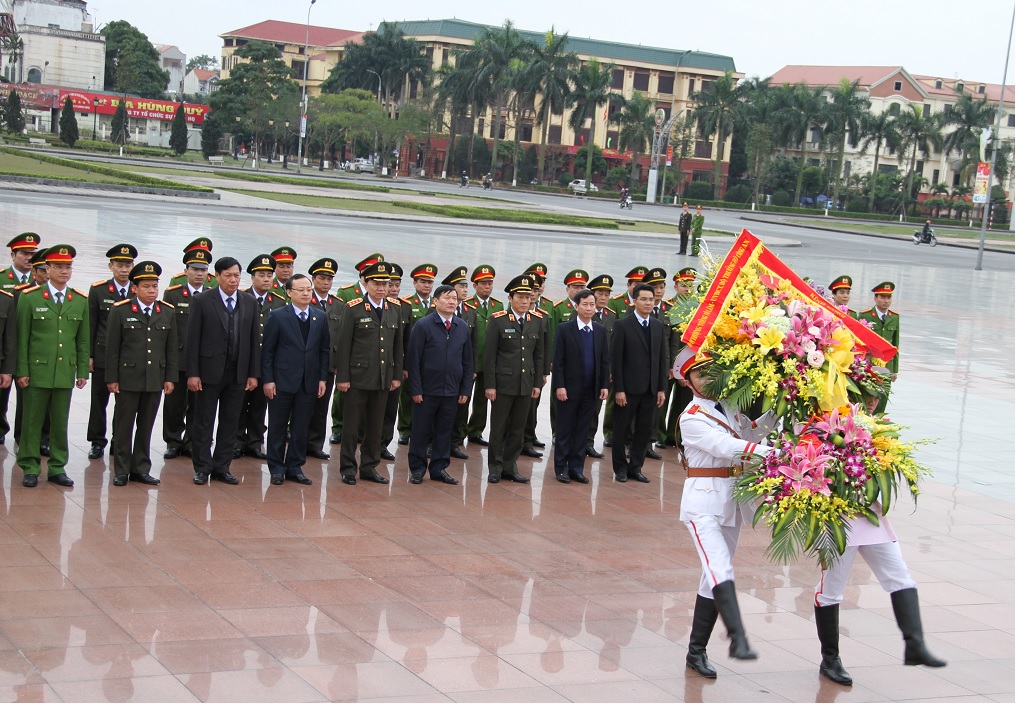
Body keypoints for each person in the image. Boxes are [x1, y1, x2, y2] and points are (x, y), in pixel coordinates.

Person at [810, 392, 946, 686]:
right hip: (839, 519)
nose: (873, 401)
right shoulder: (824, 426)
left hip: (871, 518)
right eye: (867, 395)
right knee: (831, 590)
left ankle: (915, 644)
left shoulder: (878, 429)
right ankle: (830, 659)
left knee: (901, 578)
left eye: (877, 396)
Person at [675, 348, 774, 678]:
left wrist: (781, 410)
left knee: (713, 576)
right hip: (703, 504)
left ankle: (696, 651)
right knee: (719, 568)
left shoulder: (728, 407)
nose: (707, 378)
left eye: (711, 372)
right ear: (688, 382)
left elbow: (748, 434)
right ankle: (738, 638)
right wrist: (774, 455)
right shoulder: (691, 417)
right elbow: (726, 447)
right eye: (699, 374)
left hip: (730, 501)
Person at [15, 245, 89, 488]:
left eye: (68, 267)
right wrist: (22, 370)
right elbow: (22, 338)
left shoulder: (78, 300)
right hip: (37, 371)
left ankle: (57, 467)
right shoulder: (30, 298)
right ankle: (30, 465)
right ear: (47, 269)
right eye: (58, 267)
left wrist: (81, 370)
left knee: (60, 421)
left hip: (64, 372)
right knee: (32, 421)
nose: (64, 271)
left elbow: (82, 339)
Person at [186, 256, 261, 485]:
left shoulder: (249, 302)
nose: (233, 280)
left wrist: (252, 373)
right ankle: (202, 467)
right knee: (204, 421)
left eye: (236, 275)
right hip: (208, 372)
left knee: (230, 422)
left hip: (237, 373)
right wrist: (193, 373)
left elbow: (253, 341)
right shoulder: (202, 301)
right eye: (228, 275)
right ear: (216, 276)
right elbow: (192, 340)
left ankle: (222, 467)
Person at [105, 261, 177, 486]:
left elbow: (171, 349)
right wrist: (112, 378)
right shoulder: (120, 310)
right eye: (146, 286)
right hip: (128, 379)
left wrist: (170, 378)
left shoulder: (166, 312)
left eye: (154, 286)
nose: (151, 291)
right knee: (124, 426)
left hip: (154, 379)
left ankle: (141, 468)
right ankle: (121, 469)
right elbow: (112, 348)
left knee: (145, 426)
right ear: (135, 288)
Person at [336, 261, 404, 485]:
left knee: (376, 426)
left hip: (383, 377)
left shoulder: (394, 308)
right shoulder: (354, 307)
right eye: (377, 283)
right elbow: (344, 345)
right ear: (366, 283)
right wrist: (343, 378)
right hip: (357, 378)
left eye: (386, 283)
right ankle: (347, 467)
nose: (382, 288)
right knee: (352, 426)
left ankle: (369, 466)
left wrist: (395, 375)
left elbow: (397, 346)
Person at [261, 274, 330, 486]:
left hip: (308, 381)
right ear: (289, 292)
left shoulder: (320, 317)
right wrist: (268, 380)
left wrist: (322, 378)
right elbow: (268, 352)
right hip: (282, 381)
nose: (306, 293)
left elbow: (324, 350)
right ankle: (276, 468)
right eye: (301, 290)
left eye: (308, 289)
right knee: (278, 426)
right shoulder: (278, 316)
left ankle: (295, 466)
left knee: (301, 427)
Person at [406, 284, 473, 485]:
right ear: (435, 301)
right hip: (427, 390)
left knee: (444, 431)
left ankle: (439, 468)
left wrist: (465, 389)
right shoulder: (423, 325)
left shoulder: (462, 327)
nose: (452, 301)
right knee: (421, 431)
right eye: (447, 298)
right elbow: (413, 360)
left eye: (454, 298)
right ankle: (417, 469)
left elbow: (468, 362)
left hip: (451, 390)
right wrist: (416, 389)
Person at [484, 274, 545, 484]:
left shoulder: (536, 321)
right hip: (503, 384)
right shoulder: (498, 320)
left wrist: (537, 383)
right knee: (499, 428)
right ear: (510, 298)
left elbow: (538, 355)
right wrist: (490, 385)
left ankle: (510, 466)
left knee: (518, 430)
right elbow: (489, 356)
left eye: (528, 297)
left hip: (526, 384)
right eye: (520, 297)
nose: (525, 301)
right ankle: (495, 467)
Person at [609, 283, 668, 483]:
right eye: (643, 299)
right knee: (622, 429)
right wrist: (619, 389)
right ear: (634, 301)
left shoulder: (658, 325)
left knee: (644, 430)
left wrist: (661, 388)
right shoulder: (622, 325)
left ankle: (636, 466)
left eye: (651, 299)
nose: (648, 303)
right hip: (628, 389)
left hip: (650, 389)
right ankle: (620, 468)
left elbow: (662, 359)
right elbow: (616, 360)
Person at [551, 289, 609, 484]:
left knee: (582, 430)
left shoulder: (599, 330)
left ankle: (576, 468)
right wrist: (560, 386)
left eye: (592, 304)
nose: (589, 308)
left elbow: (604, 361)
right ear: (576, 307)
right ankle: (561, 468)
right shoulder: (565, 329)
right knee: (565, 429)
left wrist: (604, 385)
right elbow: (558, 361)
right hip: (568, 389)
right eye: (585, 304)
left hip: (590, 390)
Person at [87, 243, 138, 460]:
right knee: (99, 400)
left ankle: (119, 441)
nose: (124, 269)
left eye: (127, 265)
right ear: (111, 266)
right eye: (119, 265)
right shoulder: (99, 290)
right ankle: (97, 441)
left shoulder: (140, 289)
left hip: (127, 358)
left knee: (125, 404)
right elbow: (91, 324)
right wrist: (88, 355)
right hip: (102, 355)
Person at [235, 254, 286, 459]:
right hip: (243, 360)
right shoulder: (241, 297)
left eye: (269, 275)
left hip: (267, 361)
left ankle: (255, 441)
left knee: (259, 404)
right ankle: (237, 441)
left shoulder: (280, 301)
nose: (266, 279)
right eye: (261, 275)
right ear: (252, 277)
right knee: (239, 402)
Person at [161, 248, 211, 459]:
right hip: (179, 357)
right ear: (186, 270)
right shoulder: (173, 293)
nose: (199, 274)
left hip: (202, 359)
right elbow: (168, 328)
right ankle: (173, 441)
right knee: (174, 403)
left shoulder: (212, 295)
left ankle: (191, 441)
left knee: (198, 404)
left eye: (203, 270)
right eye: (195, 269)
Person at [332, 253, 385, 446]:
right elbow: (343, 333)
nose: (381, 286)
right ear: (364, 274)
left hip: (375, 369)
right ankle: (337, 426)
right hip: (355, 365)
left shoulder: (388, 304)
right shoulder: (348, 294)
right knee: (344, 399)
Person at [0, 232, 40, 445]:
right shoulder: (1, 278)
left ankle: (23, 434)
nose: (28, 258)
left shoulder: (41, 281)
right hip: (5, 344)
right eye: (24, 253)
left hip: (28, 345)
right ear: (13, 254)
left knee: (27, 394)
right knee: (1, 391)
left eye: (32, 254)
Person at [12, 250, 49, 453]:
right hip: (28, 359)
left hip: (51, 360)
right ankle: (22, 438)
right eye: (43, 270)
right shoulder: (20, 294)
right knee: (26, 404)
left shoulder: (64, 296)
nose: (46, 274)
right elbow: (16, 331)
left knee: (51, 406)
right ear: (34, 271)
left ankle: (45, 440)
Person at [397, 263, 438, 444]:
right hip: (412, 356)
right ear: (414, 284)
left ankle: (422, 429)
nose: (427, 285)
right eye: (423, 282)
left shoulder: (438, 304)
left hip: (430, 359)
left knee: (427, 395)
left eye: (430, 282)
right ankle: (405, 429)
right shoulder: (406, 304)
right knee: (407, 394)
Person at [306, 257, 342, 460]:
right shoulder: (305, 299)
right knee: (303, 405)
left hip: (327, 364)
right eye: (322, 278)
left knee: (321, 406)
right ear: (313, 279)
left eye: (329, 278)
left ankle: (315, 444)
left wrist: (337, 363)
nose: (326, 282)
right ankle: (299, 440)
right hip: (305, 363)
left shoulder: (337, 305)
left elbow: (340, 338)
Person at [464, 264, 503, 447]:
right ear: (475, 285)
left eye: (490, 283)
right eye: (484, 283)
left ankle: (476, 431)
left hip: (489, 362)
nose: (487, 287)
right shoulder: (467, 305)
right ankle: (458, 431)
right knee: (464, 398)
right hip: (471, 359)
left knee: (482, 399)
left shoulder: (498, 305)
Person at [442, 266, 476, 460]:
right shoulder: (436, 312)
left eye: (465, 286)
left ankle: (454, 442)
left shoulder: (470, 312)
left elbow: (473, 344)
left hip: (462, 370)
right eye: (460, 286)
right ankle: (434, 443)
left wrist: (472, 369)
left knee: (460, 407)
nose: (464, 290)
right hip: (441, 370)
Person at [380, 262, 410, 461]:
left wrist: (403, 368)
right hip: (372, 367)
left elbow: (405, 342)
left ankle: (383, 444)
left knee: (390, 408)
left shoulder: (404, 307)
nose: (393, 289)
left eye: (397, 285)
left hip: (393, 367)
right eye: (390, 284)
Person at [585, 274, 616, 458]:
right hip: (584, 370)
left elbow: (613, 346)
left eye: (607, 294)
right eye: (600, 294)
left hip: (601, 371)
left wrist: (610, 369)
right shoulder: (583, 313)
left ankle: (589, 442)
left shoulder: (611, 316)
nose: (604, 297)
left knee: (595, 409)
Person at [858, 281, 899, 413]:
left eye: (889, 297)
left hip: (887, 366)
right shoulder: (866, 315)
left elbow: (895, 345)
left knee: (882, 398)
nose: (886, 301)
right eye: (882, 297)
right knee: (868, 397)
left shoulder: (895, 317)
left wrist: (895, 370)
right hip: (870, 365)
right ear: (875, 298)